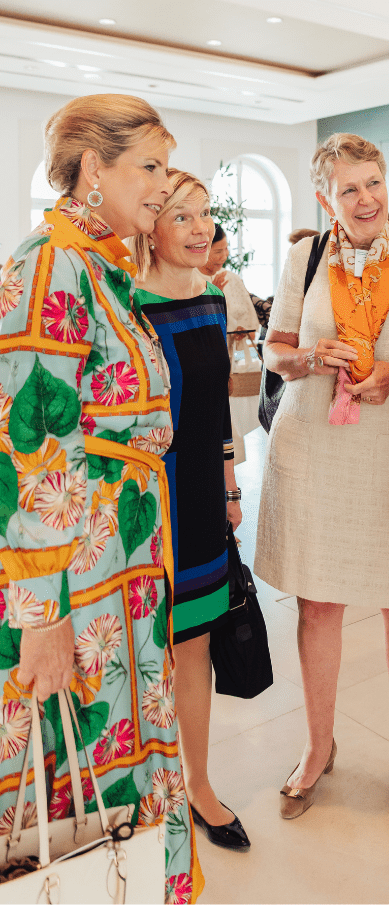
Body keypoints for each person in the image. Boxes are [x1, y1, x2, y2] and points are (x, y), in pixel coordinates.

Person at [0, 95, 203, 902]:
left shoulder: (101, 264)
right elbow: (27, 451)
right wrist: (40, 617)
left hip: (121, 566)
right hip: (74, 580)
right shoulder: (50, 263)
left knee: (125, 734)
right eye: (148, 166)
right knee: (71, 758)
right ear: (95, 168)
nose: (161, 185)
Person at [255, 132, 389, 833]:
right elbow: (272, 347)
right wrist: (309, 355)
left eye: (373, 182)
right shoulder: (301, 258)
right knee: (318, 604)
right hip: (316, 444)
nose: (366, 198)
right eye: (349, 188)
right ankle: (318, 746)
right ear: (326, 198)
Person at [132, 171, 250, 852]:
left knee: (193, 646)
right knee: (142, 650)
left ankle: (197, 782)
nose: (200, 227)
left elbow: (218, 408)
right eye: (182, 216)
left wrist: (231, 483)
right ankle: (146, 784)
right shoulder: (128, 304)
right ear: (150, 223)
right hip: (146, 503)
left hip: (202, 500)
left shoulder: (209, 300)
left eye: (205, 215)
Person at [199, 223, 270, 351]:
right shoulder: (189, 280)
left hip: (235, 359)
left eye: (226, 249)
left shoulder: (232, 279)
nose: (225, 256)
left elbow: (252, 331)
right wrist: (212, 298)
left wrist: (241, 332)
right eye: (218, 251)